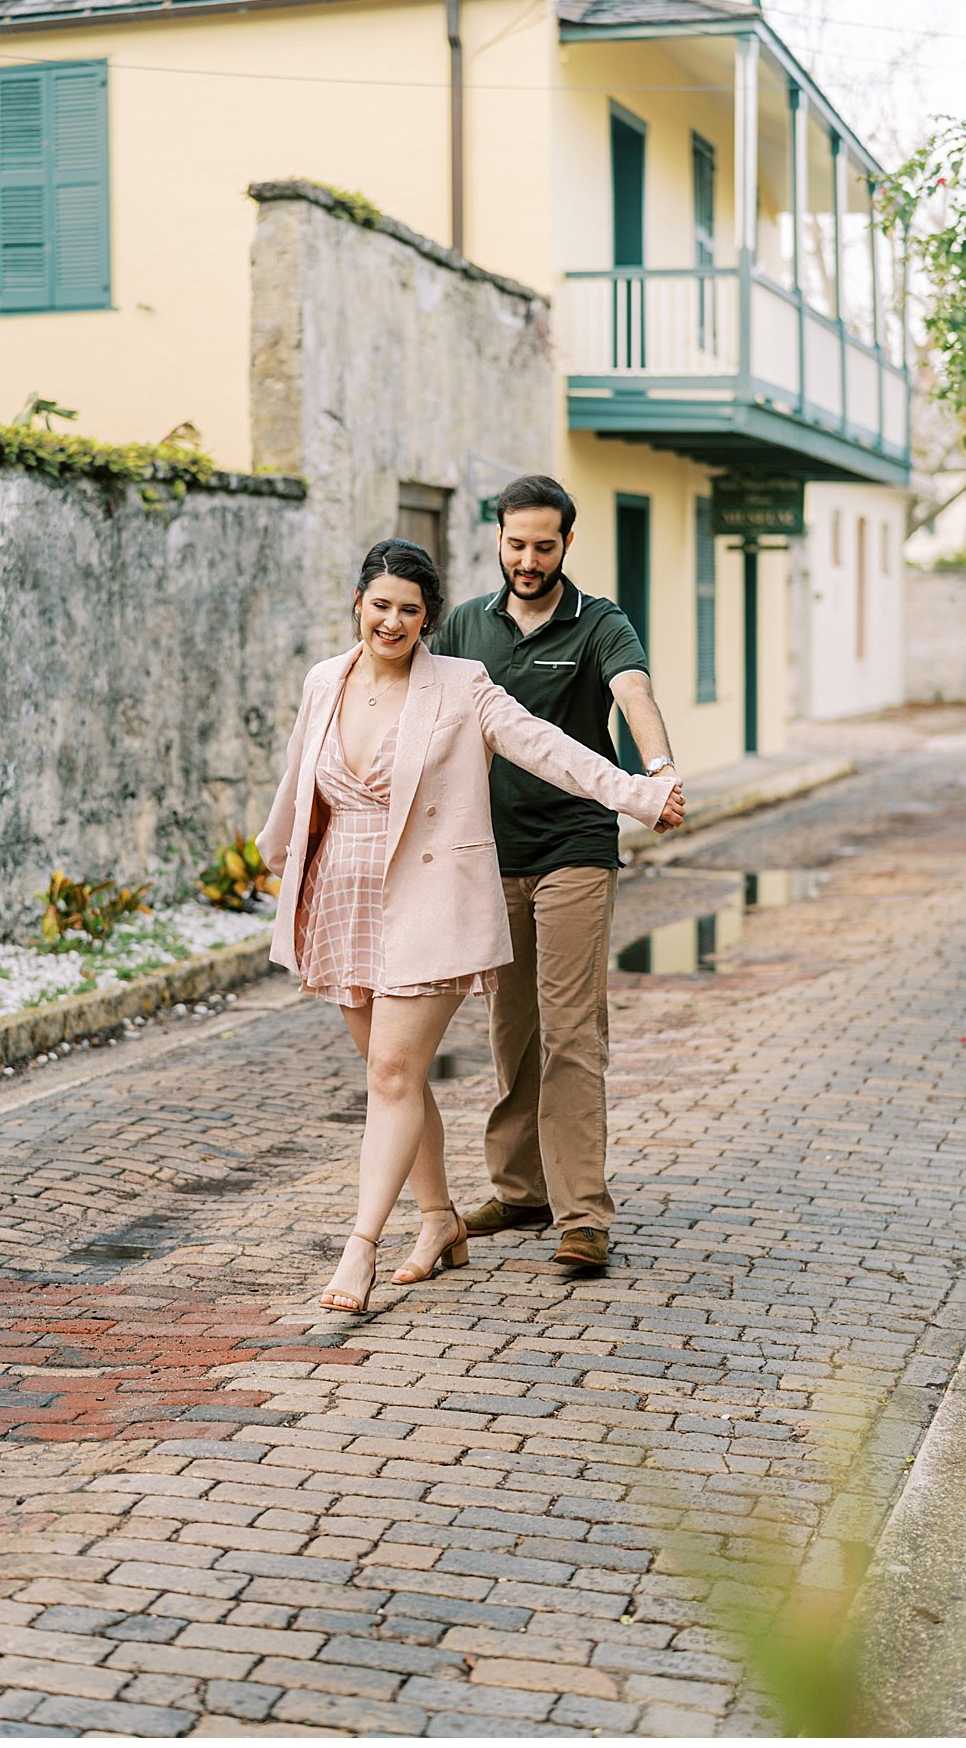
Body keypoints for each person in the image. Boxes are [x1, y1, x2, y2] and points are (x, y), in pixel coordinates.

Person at [254, 538, 684, 1315]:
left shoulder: (461, 686)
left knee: (389, 1074)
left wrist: (637, 793)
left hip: (426, 904)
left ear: (429, 620)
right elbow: (297, 773)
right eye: (380, 605)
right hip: (341, 900)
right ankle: (439, 1219)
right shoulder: (326, 680)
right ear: (358, 603)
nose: (392, 621)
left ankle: (360, 1248)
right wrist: (273, 852)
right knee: (399, 1079)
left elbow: (546, 747)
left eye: (410, 610)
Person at [428, 475, 683, 1276]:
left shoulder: (599, 620)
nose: (529, 560)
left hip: (573, 845)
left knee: (571, 1029)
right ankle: (521, 1189)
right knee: (512, 1032)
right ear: (498, 540)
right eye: (516, 545)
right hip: (490, 851)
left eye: (544, 545)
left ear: (567, 543)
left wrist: (661, 769)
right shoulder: (468, 624)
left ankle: (582, 1215)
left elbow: (631, 690)